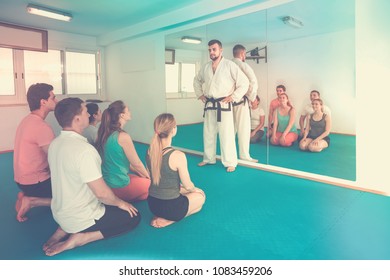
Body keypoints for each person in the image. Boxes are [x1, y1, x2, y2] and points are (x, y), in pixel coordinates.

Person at [44, 97, 140, 256]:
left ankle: (64, 229)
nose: (89, 114)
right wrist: (121, 203)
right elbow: (102, 194)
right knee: (133, 217)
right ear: (77, 119)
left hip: (60, 214)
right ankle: (81, 238)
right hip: (82, 218)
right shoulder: (85, 151)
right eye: (85, 111)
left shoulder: (55, 144)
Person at [193, 39, 249, 172]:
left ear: (221, 50)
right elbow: (197, 80)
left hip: (223, 105)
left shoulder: (229, 65)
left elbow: (244, 82)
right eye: (210, 50)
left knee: (226, 134)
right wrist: (200, 94)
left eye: (214, 49)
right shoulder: (206, 67)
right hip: (209, 104)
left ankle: (230, 162)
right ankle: (208, 158)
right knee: (208, 133)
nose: (211, 52)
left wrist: (234, 97)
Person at [146, 113, 206, 228]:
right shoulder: (177, 155)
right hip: (171, 208)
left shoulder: (149, 152)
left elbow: (153, 177)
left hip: (152, 205)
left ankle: (168, 216)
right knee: (201, 198)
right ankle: (170, 220)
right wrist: (195, 190)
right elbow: (188, 186)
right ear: (173, 130)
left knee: (186, 194)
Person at [13, 83, 57, 222]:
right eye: (53, 98)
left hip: (22, 180)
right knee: (75, 198)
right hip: (35, 183)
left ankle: (27, 195)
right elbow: (55, 161)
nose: (56, 101)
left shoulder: (27, 120)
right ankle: (32, 201)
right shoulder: (42, 127)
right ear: (43, 102)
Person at [96, 100, 151, 202]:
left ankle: (134, 194)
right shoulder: (123, 137)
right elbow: (137, 163)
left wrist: (142, 175)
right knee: (157, 186)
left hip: (107, 183)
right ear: (122, 115)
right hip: (118, 186)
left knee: (144, 187)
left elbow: (124, 162)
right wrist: (150, 177)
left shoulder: (104, 133)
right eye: (128, 110)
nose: (130, 112)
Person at [231, 44, 258, 162]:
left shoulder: (227, 65)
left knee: (230, 129)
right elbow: (253, 82)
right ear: (242, 54)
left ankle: (229, 155)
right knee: (243, 129)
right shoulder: (243, 65)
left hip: (227, 103)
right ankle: (244, 155)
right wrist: (252, 97)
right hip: (241, 101)